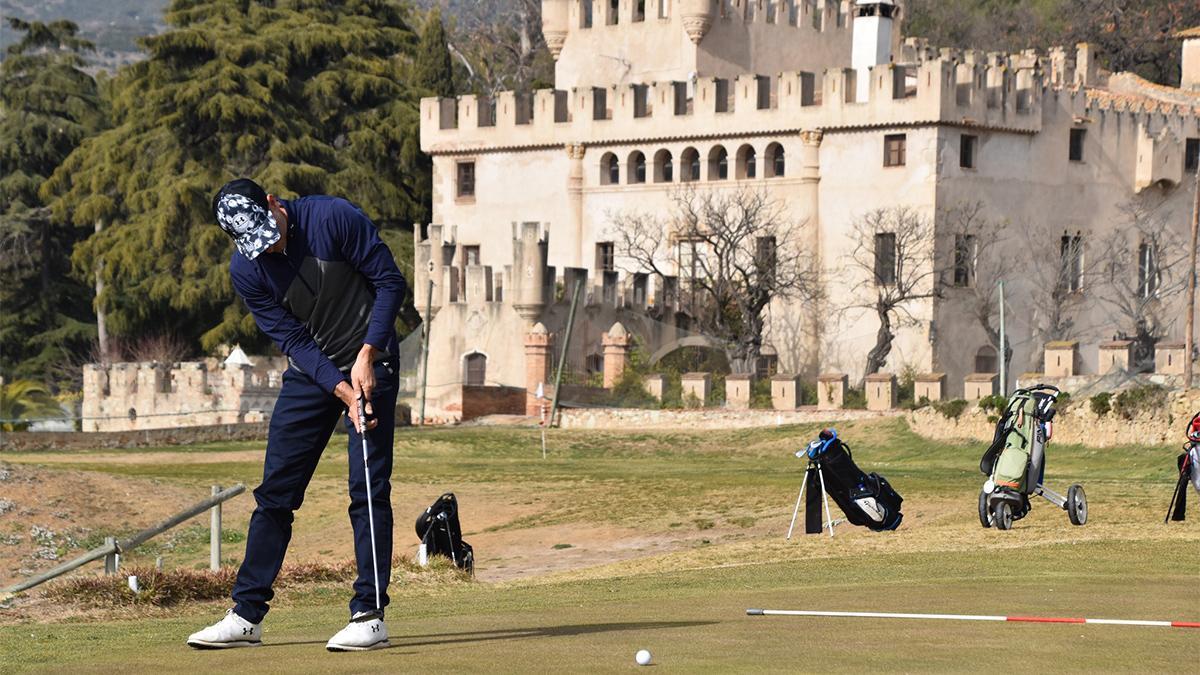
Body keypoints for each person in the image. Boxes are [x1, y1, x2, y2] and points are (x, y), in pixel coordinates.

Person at [187, 178, 406, 652]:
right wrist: (342, 390)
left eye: (272, 233)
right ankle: (247, 616)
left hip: (373, 358)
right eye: (257, 245)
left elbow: (391, 282)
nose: (271, 248)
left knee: (367, 487)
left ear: (273, 202)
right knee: (276, 493)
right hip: (313, 371)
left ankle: (370, 614)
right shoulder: (247, 269)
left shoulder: (332, 218)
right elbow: (294, 341)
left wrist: (368, 356)